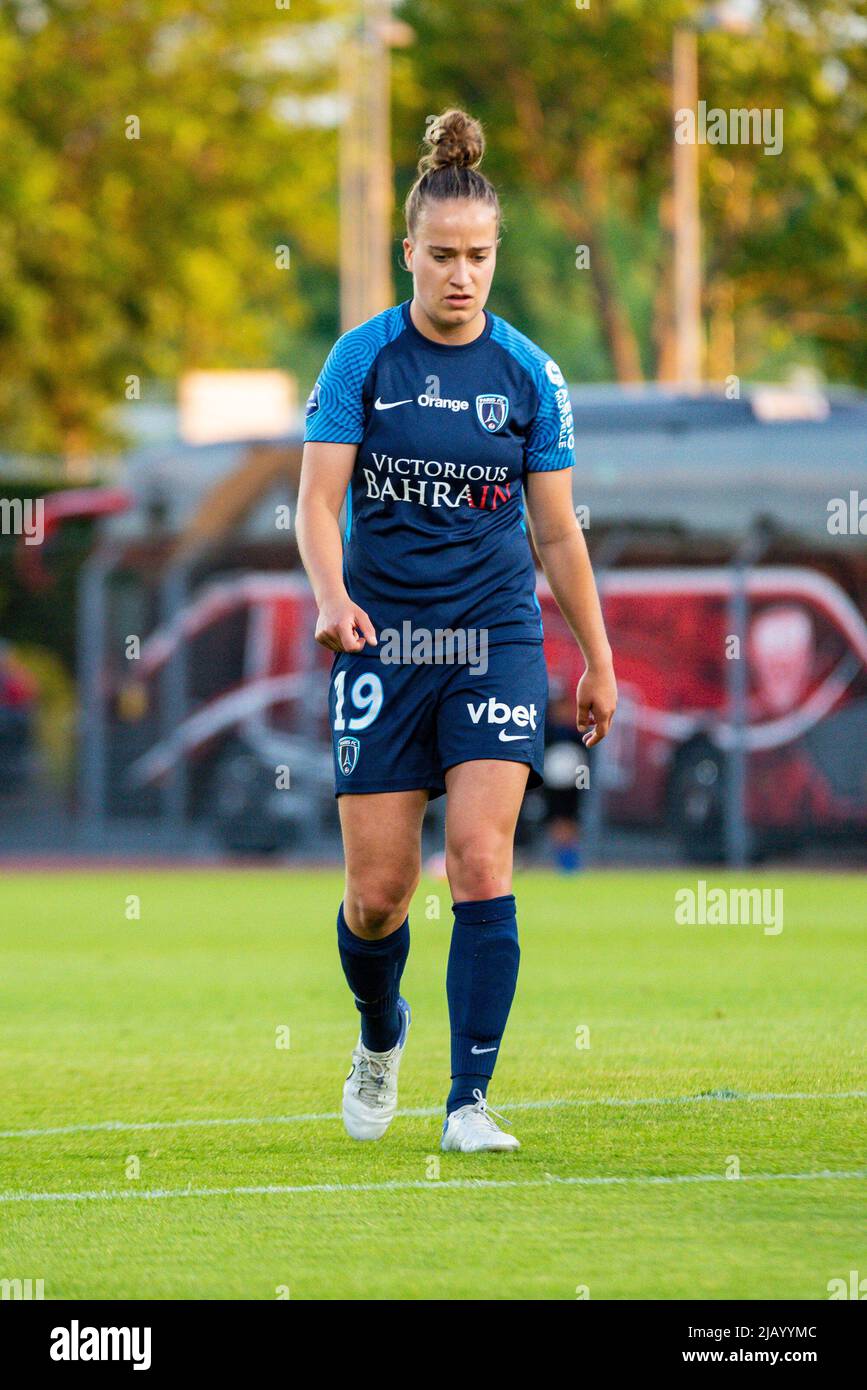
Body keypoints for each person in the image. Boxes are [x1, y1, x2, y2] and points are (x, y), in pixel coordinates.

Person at [296, 108, 616, 1154]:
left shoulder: (530, 377)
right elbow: (314, 506)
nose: (461, 275)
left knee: (480, 859)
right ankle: (379, 1035)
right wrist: (334, 597)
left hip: (493, 643)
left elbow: (558, 532)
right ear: (409, 255)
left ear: (496, 256)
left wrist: (597, 659)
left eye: (478, 256)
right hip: (383, 649)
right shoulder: (362, 361)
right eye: (442, 256)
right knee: (379, 897)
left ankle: (468, 1100)